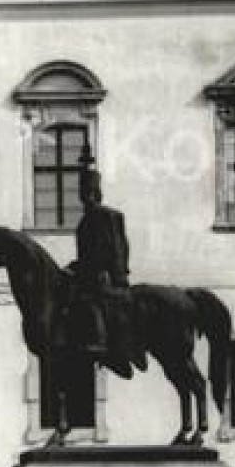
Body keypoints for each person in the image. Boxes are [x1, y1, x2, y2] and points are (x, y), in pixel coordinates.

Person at [69, 150, 136, 378]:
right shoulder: (85, 221)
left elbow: (116, 246)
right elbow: (89, 254)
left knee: (89, 300)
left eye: (89, 193)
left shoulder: (106, 216)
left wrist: (111, 272)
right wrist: (76, 266)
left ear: (97, 194)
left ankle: (103, 344)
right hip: (90, 273)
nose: (86, 197)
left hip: (106, 276)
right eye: (83, 194)